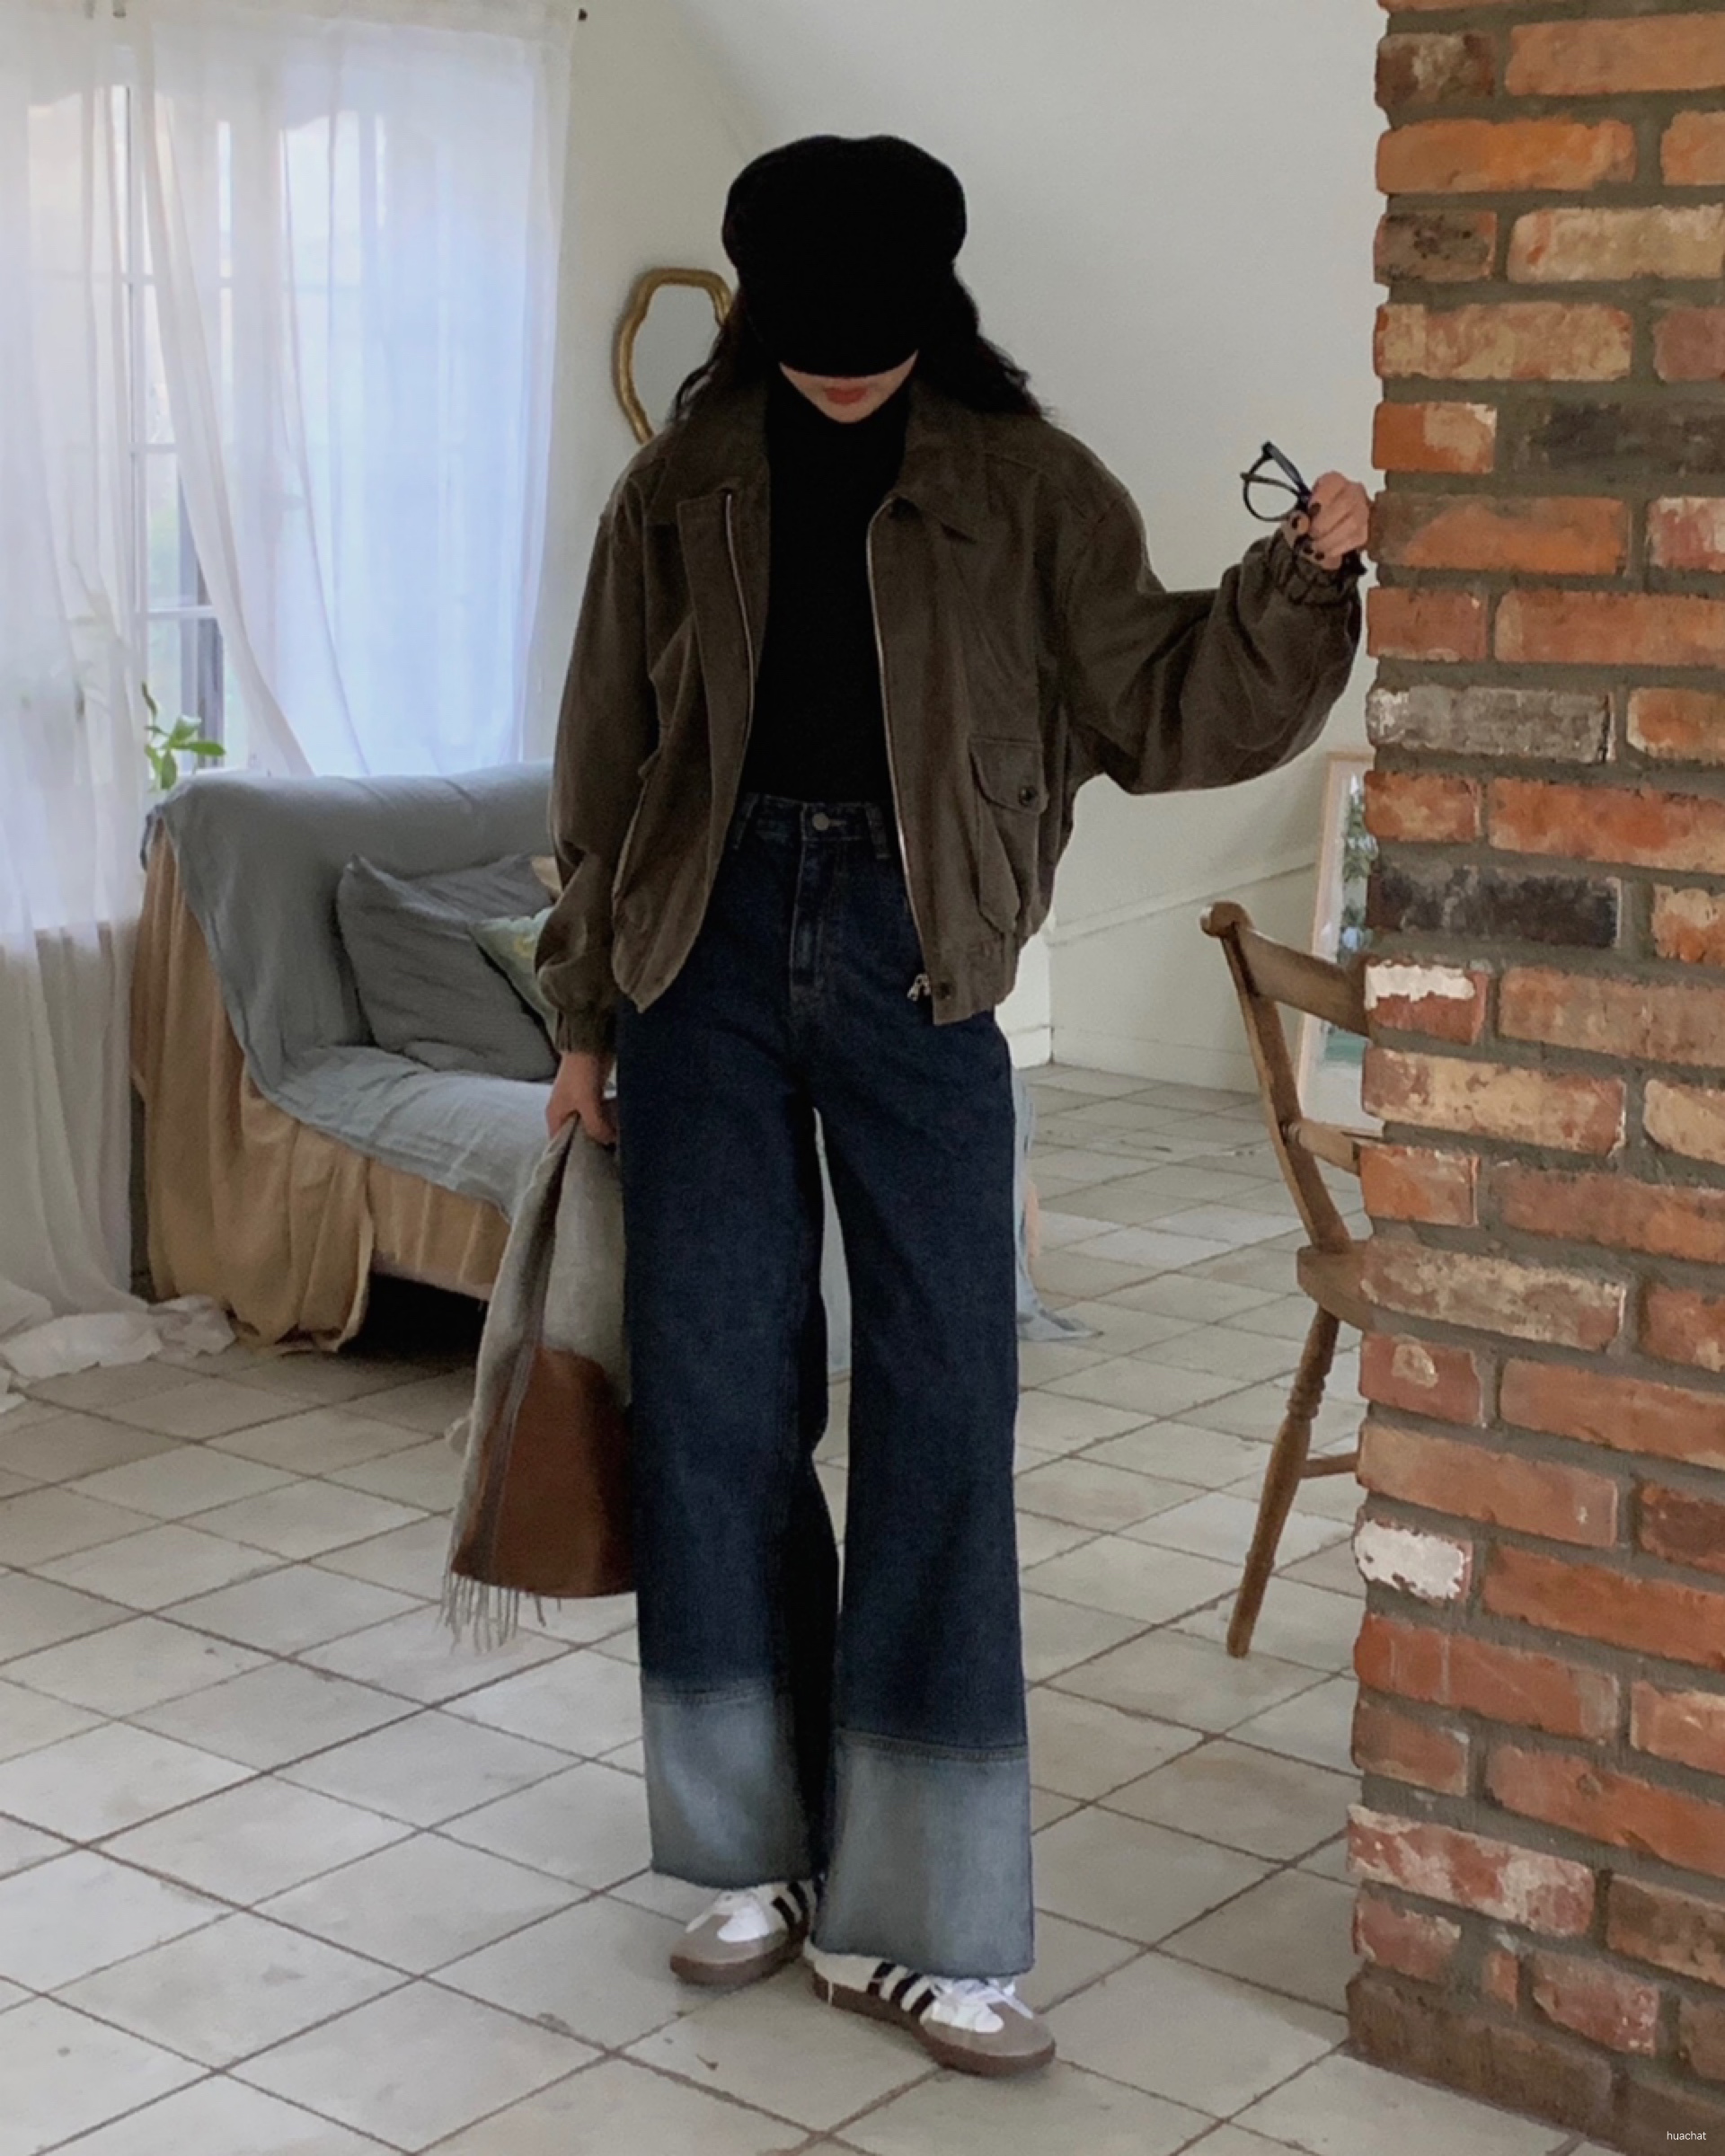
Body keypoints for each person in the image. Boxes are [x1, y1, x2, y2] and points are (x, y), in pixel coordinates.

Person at [537, 132, 1369, 2077]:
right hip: (697, 964)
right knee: (718, 1403)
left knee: (942, 1407)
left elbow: (1164, 705)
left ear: (937, 310)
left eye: (875, 337)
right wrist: (580, 1018)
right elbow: (606, 754)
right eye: (812, 337)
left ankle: (922, 1917)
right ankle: (750, 1845)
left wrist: (1302, 581)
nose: (843, 370)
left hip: (922, 969)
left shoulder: (1030, 485)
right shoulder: (683, 482)